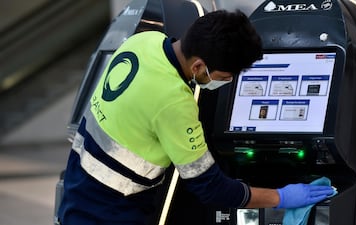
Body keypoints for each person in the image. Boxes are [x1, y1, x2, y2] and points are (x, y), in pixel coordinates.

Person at [57, 10, 334, 225]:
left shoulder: (144, 41)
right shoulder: (174, 103)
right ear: (199, 65)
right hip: (110, 213)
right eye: (226, 77)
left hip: (78, 189)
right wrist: (281, 197)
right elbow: (211, 189)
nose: (228, 82)